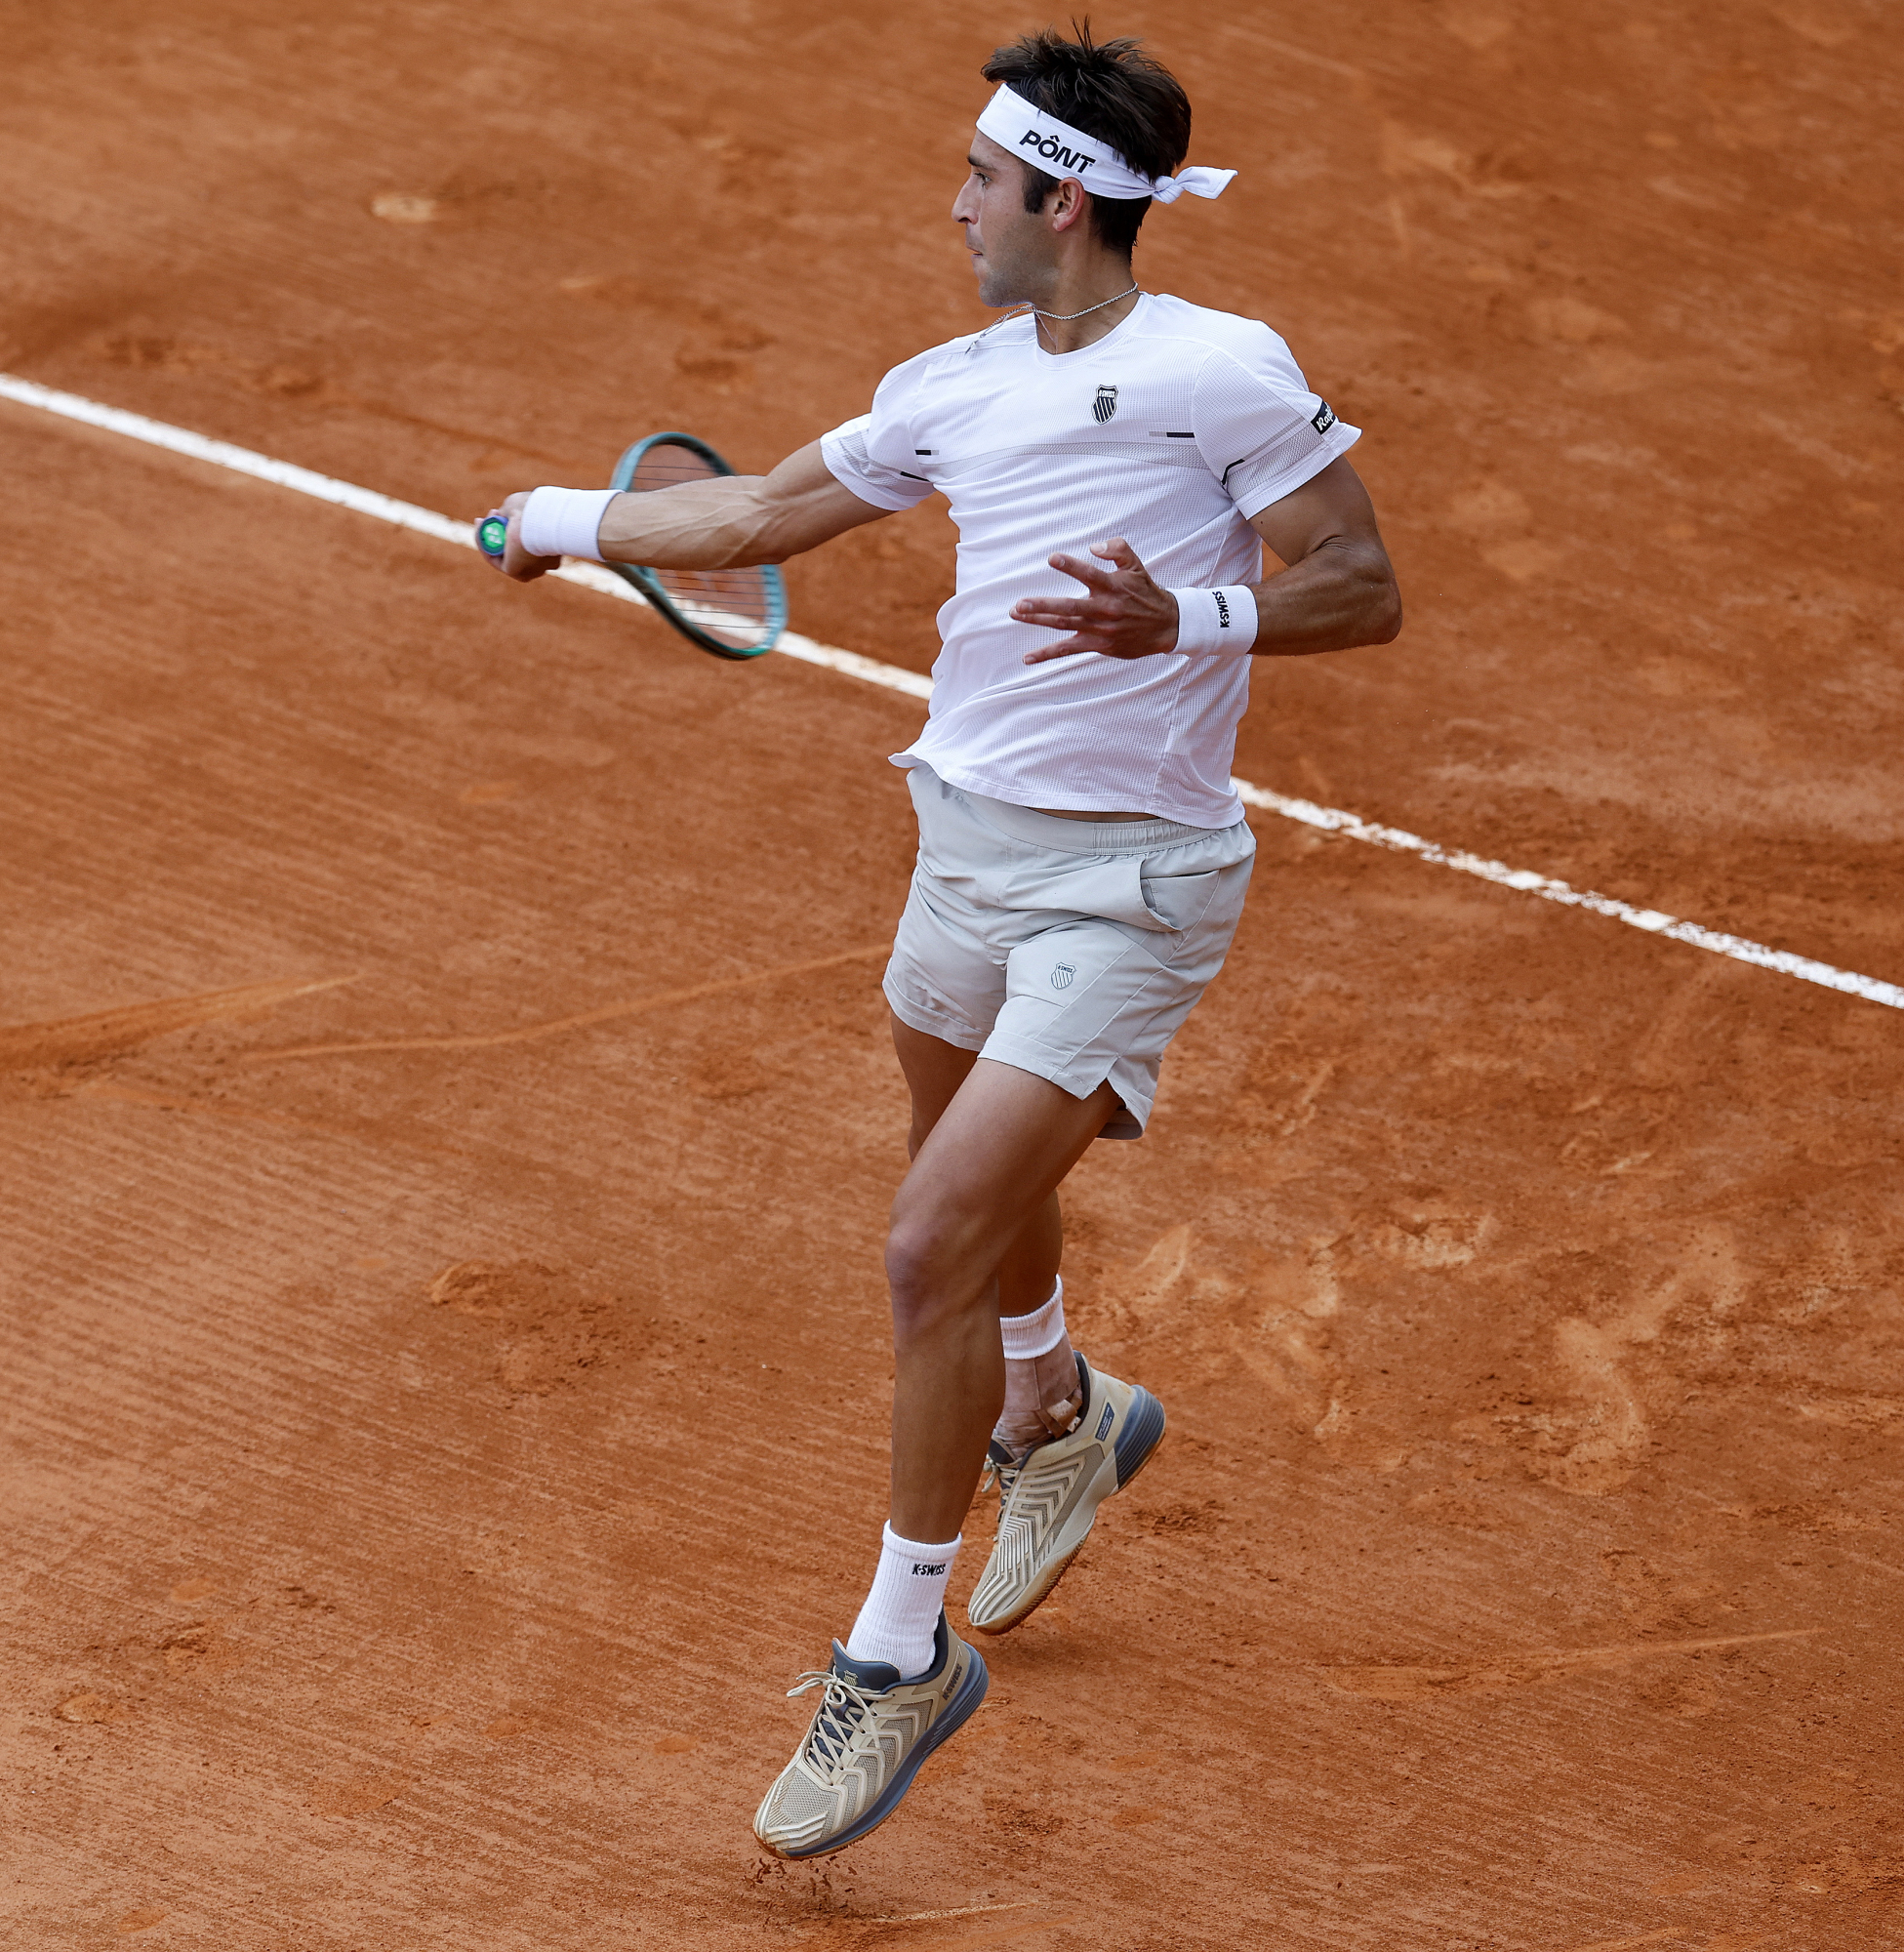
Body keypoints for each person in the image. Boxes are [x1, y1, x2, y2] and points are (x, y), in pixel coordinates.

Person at [485, 24, 1401, 1856]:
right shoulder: (950, 385)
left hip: (1129, 884)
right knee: (966, 1198)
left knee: (924, 1249)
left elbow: (1361, 586)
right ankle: (1057, 1407)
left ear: (1063, 201)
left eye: (982, 179)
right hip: (961, 855)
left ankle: (897, 1653)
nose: (957, 203)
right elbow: (759, 511)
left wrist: (1190, 621)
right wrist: (556, 520)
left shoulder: (1222, 371)